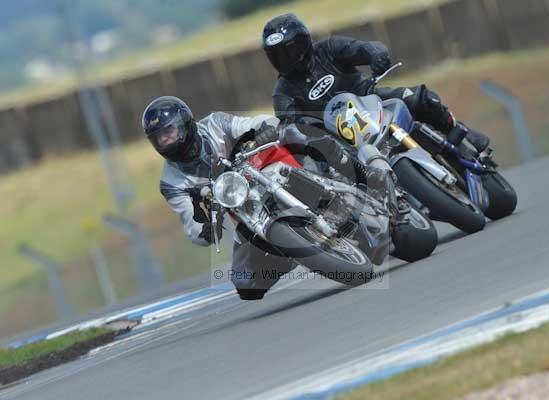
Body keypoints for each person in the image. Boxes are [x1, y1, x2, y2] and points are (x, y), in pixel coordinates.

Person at [261, 13, 490, 153]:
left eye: (289, 51)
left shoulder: (329, 49)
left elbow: (363, 48)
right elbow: (290, 124)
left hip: (372, 100)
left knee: (418, 97)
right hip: (342, 138)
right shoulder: (283, 93)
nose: (286, 60)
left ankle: (459, 130)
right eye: (277, 55)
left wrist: (376, 55)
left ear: (303, 43)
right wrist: (299, 134)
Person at [142, 96, 292, 300]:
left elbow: (256, 123)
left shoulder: (215, 124)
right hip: (245, 211)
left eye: (168, 132)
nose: (164, 141)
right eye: (157, 138)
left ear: (184, 124)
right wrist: (206, 229)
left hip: (265, 171)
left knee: (294, 136)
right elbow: (191, 224)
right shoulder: (171, 182)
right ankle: (295, 254)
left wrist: (264, 130)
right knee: (245, 283)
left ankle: (331, 177)